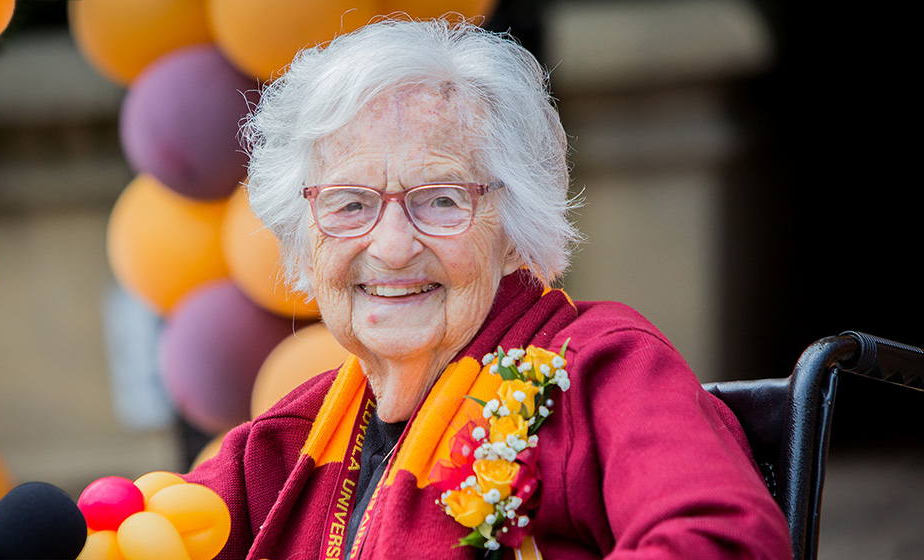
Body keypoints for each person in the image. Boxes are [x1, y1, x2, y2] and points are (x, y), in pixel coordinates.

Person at [184, 18, 791, 560]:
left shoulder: (599, 368)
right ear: (304, 236)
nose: (393, 246)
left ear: (514, 228)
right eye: (349, 204)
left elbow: (722, 539)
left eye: (441, 200)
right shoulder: (284, 445)